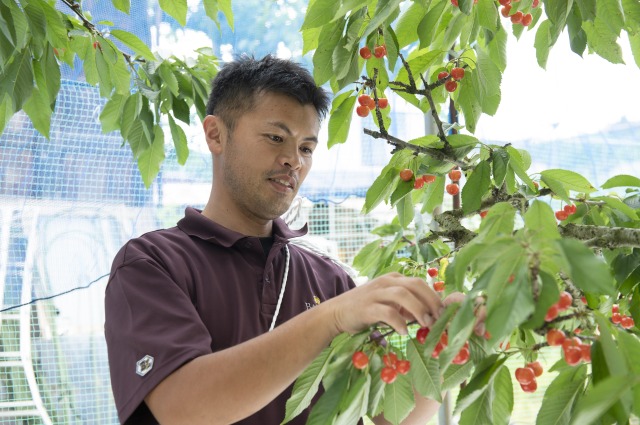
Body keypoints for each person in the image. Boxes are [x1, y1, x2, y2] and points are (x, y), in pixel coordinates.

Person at [105, 55, 450, 425]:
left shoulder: (329, 279)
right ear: (216, 134)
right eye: (275, 137)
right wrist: (329, 318)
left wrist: (445, 345)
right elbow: (183, 409)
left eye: (306, 148)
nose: (293, 161)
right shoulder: (152, 263)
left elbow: (386, 417)